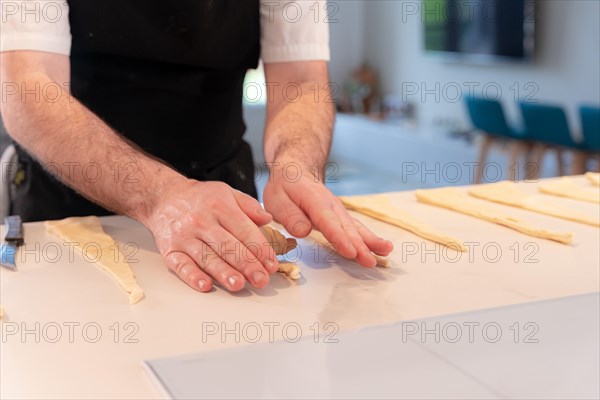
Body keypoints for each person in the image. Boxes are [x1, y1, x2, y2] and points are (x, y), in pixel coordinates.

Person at [0, 0, 393, 292]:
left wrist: (296, 167)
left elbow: (301, 79)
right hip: (69, 206)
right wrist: (160, 196)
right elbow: (28, 88)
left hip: (224, 195)